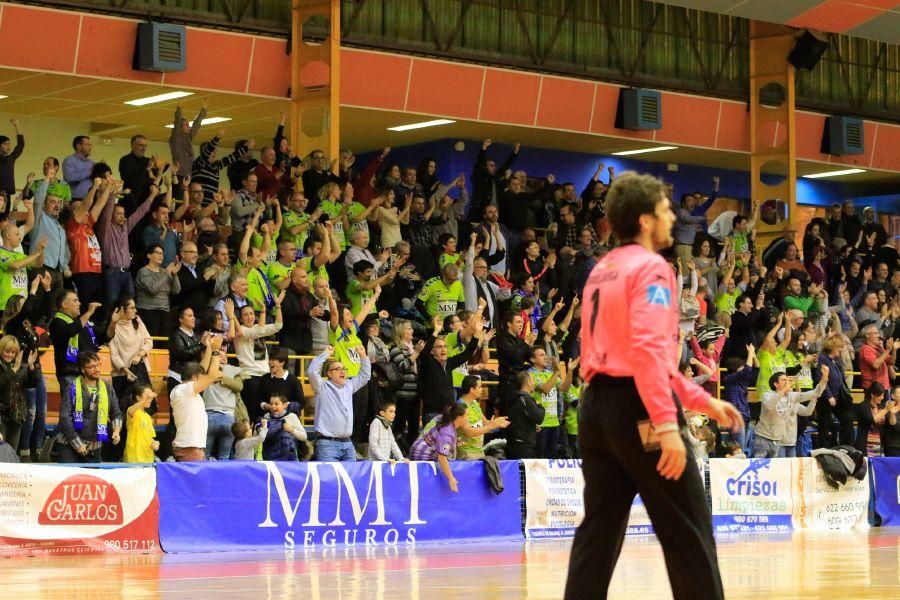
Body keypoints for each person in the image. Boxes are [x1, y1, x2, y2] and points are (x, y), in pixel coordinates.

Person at [565, 172, 741, 600]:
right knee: (689, 530)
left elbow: (634, 354)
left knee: (599, 532)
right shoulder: (651, 268)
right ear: (645, 220)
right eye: (665, 210)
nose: (672, 217)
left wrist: (703, 401)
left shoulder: (602, 269)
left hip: (597, 410)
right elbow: (646, 354)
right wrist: (665, 425)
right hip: (638, 408)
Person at [308, 344, 372, 462]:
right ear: (329, 374)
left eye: (344, 369)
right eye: (338, 369)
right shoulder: (322, 386)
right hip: (327, 444)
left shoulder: (349, 385)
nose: (342, 371)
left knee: (350, 479)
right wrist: (325, 354)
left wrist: (363, 356)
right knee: (328, 478)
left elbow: (365, 376)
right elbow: (312, 372)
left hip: (348, 443)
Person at [55, 352, 122, 463]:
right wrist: (77, 444)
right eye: (91, 367)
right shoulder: (71, 387)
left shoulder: (107, 387)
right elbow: (65, 417)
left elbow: (116, 413)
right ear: (82, 369)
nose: (96, 369)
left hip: (94, 447)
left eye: (98, 365)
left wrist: (116, 430)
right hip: (69, 445)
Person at [169, 336, 224, 462]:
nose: (202, 380)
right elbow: (212, 375)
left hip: (192, 446)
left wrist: (209, 348)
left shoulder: (184, 390)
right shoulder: (184, 390)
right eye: (200, 378)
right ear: (194, 377)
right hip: (190, 447)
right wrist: (216, 351)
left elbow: (202, 370)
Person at [754, 370, 827, 458]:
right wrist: (784, 390)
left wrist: (824, 379)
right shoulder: (767, 395)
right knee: (757, 467)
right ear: (776, 384)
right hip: (763, 437)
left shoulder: (792, 396)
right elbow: (769, 406)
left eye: (787, 380)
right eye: (784, 380)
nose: (787, 382)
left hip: (777, 440)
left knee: (775, 469)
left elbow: (815, 393)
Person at [409, 403, 469, 492]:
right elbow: (442, 458)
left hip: (419, 446)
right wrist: (451, 478)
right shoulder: (447, 432)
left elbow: (438, 439)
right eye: (466, 416)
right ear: (459, 418)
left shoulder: (444, 418)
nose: (468, 419)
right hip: (423, 455)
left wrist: (453, 443)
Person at [456, 375, 511, 460]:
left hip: (479, 451)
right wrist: (491, 426)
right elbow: (469, 432)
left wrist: (498, 423)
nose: (482, 389)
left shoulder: (474, 403)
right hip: (466, 453)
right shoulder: (460, 407)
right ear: (472, 390)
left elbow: (485, 423)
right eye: (479, 387)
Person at [135, 243, 182, 336]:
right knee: (152, 342)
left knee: (164, 342)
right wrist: (166, 274)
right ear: (149, 255)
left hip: (164, 311)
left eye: (162, 253)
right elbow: (152, 288)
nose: (161, 255)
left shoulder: (164, 271)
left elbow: (176, 290)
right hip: (148, 311)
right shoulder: (143, 271)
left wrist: (174, 274)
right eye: (157, 253)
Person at [0, 335, 30, 452]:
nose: (10, 355)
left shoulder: (19, 366)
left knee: (12, 453)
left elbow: (31, 384)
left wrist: (32, 367)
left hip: (17, 415)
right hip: (1, 416)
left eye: (13, 352)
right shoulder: (15, 367)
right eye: (7, 351)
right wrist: (14, 370)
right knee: (2, 453)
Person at [262, 393, 307, 461]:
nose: (273, 406)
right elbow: (259, 438)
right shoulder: (266, 417)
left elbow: (304, 437)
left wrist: (292, 430)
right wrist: (261, 429)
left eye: (276, 404)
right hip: (269, 459)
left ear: (285, 405)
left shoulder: (291, 417)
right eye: (271, 404)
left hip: (288, 461)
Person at [123, 384, 159, 463]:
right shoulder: (132, 411)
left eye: (151, 396)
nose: (150, 398)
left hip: (148, 458)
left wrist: (155, 443)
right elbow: (131, 411)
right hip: (134, 458)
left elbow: (150, 437)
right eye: (147, 395)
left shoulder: (148, 417)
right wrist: (145, 399)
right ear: (138, 397)